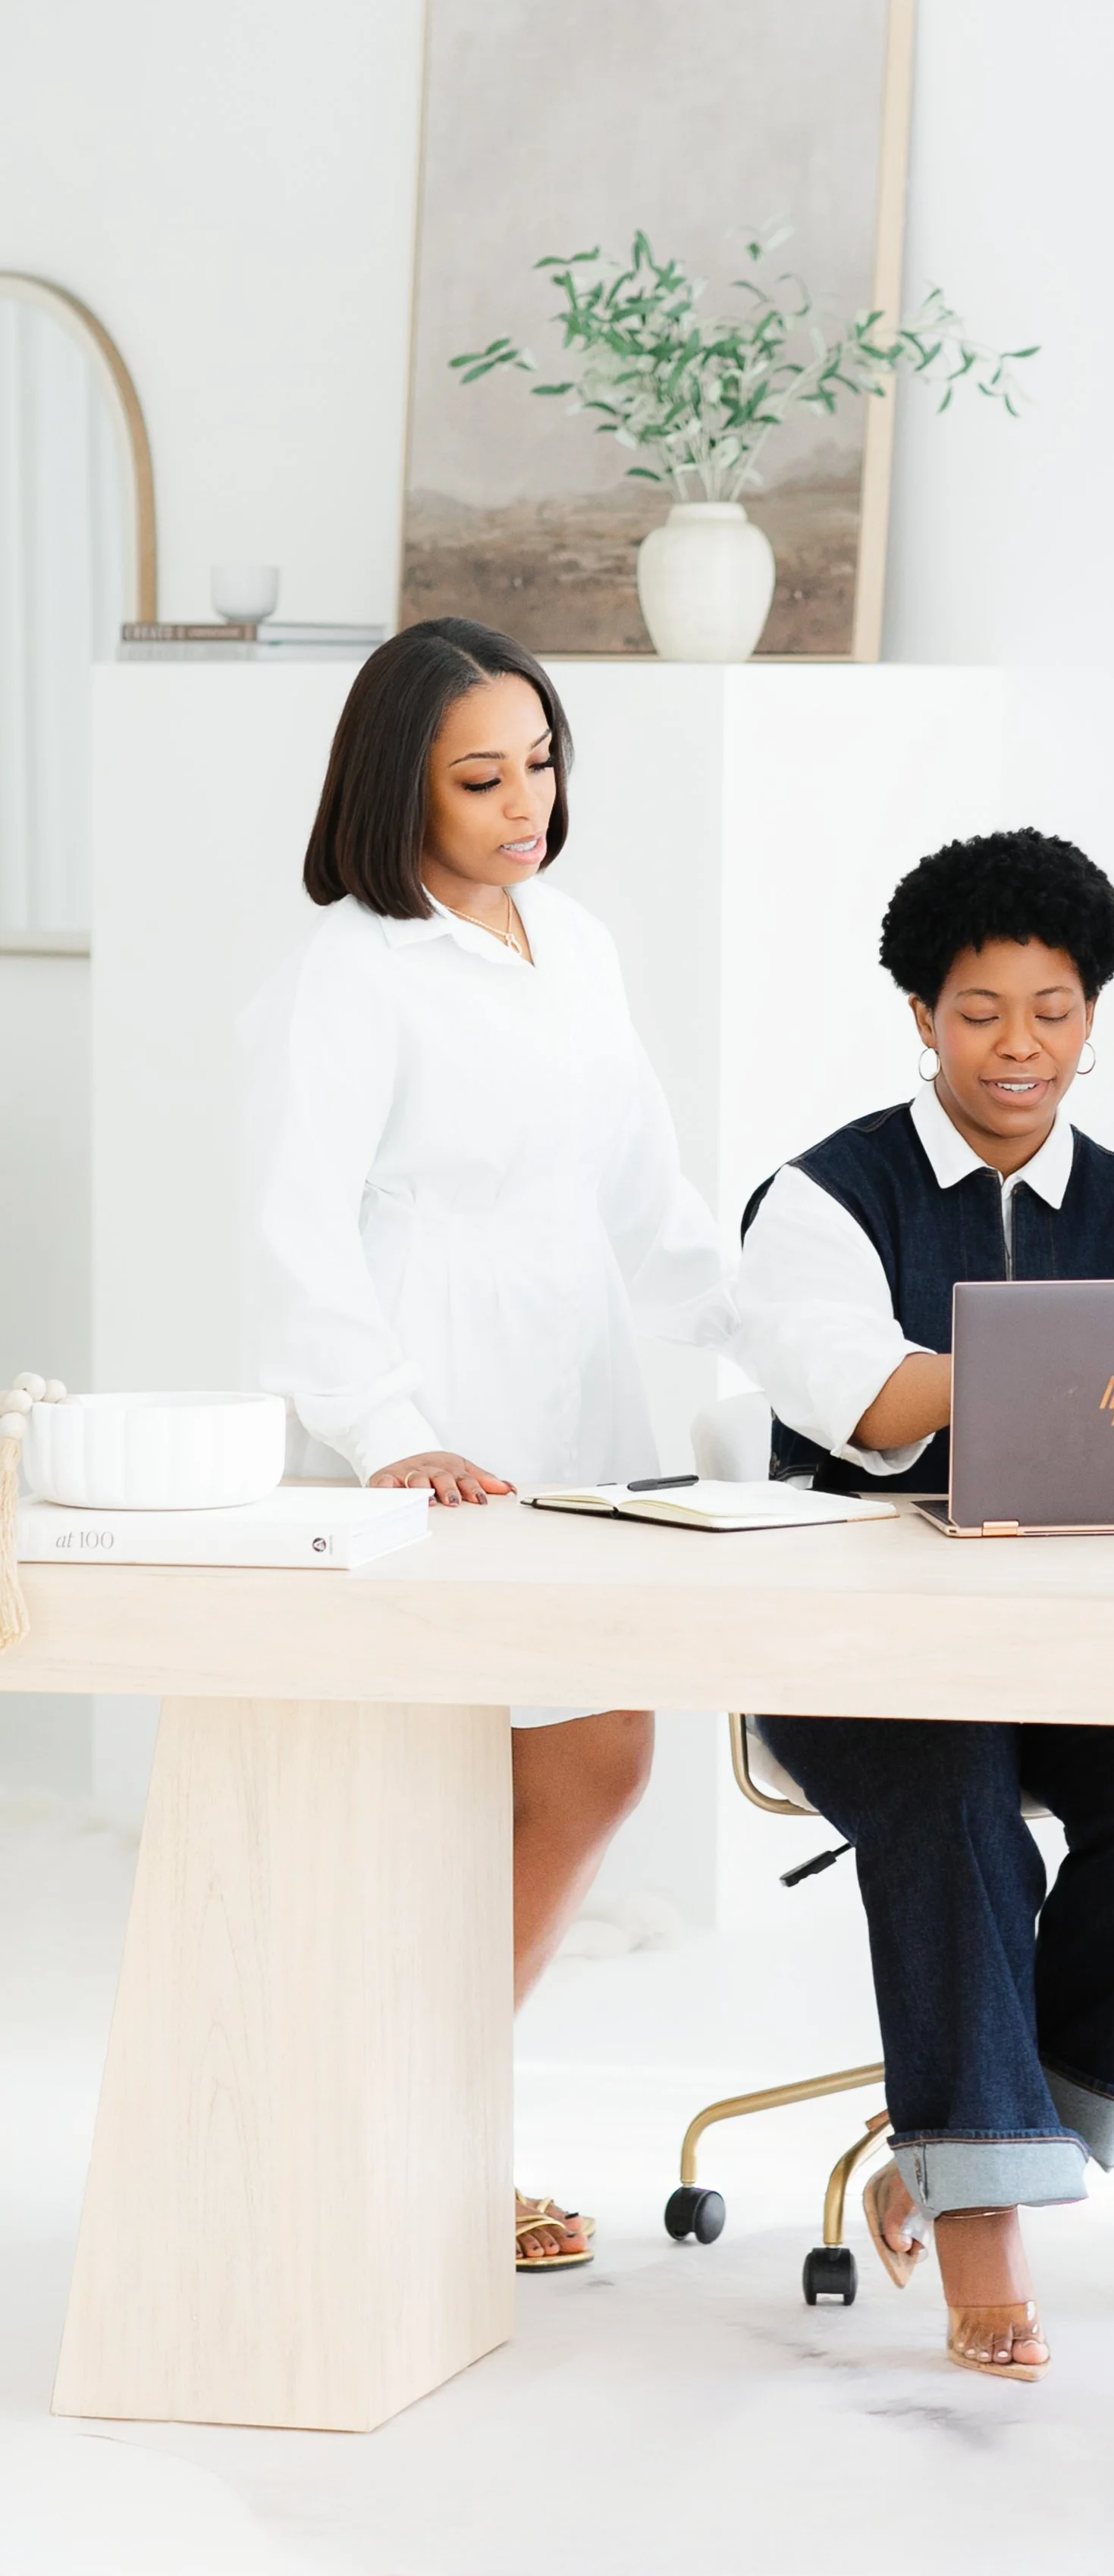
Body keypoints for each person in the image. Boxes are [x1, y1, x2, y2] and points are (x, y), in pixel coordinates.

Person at [733, 828, 1114, 2380]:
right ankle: (985, 2235)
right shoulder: (823, 1199)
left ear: (1092, 1017)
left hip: (1077, 1635)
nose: (1016, 1047)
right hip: (855, 1634)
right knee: (955, 1794)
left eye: (1051, 1010)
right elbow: (872, 1407)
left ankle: (987, 2126)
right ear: (918, 1016)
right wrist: (1083, 1381)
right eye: (978, 1011)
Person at [243, 617, 733, 2270]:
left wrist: (813, 1326)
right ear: (401, 786)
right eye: (480, 776)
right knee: (436, 1802)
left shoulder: (569, 941)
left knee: (597, 1756)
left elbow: (650, 1211)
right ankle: (403, 2154)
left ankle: (419, 2135)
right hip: (430, 1417)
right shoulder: (354, 966)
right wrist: (389, 1432)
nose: (523, 801)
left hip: (579, 1406)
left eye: (539, 764)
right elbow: (297, 1229)